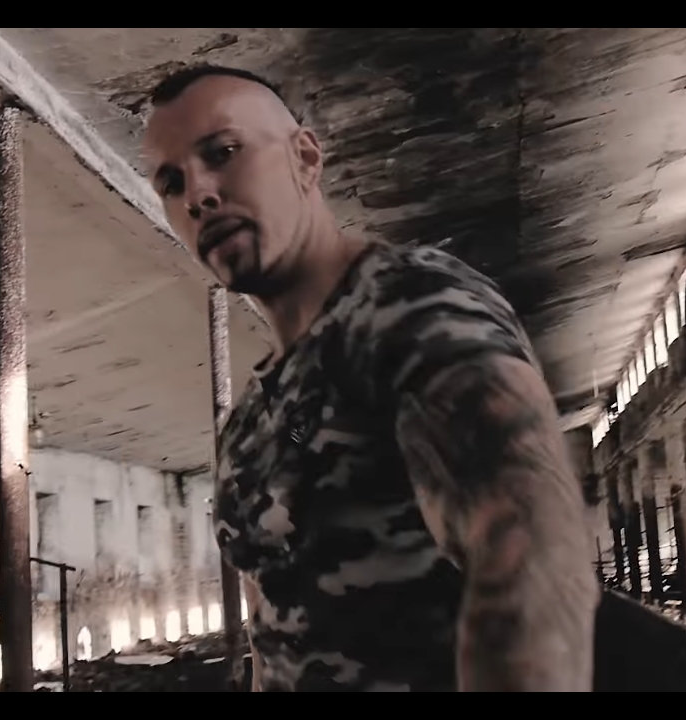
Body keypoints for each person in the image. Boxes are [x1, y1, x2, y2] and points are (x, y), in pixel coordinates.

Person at [141, 64, 599, 692]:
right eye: (171, 183)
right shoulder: (250, 418)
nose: (197, 194)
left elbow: (534, 569)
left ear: (305, 159)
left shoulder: (414, 310)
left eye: (222, 153)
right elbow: (273, 627)